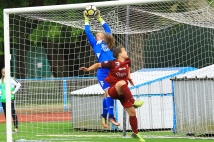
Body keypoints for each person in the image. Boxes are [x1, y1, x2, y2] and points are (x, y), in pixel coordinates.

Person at [80, 46, 145, 142]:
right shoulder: (112, 63)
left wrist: (129, 77)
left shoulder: (128, 60)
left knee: (132, 113)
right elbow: (98, 65)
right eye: (124, 50)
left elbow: (128, 68)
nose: (126, 51)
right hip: (113, 90)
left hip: (123, 93)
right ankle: (133, 102)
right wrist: (88, 69)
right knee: (122, 83)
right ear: (119, 54)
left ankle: (135, 133)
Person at [83, 9, 120, 128]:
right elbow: (88, 32)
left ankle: (104, 115)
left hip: (112, 68)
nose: (100, 36)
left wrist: (99, 18)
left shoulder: (107, 44)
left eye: (101, 35)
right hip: (103, 71)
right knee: (109, 92)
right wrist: (86, 19)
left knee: (109, 95)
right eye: (98, 35)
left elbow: (108, 31)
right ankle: (111, 116)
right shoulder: (95, 44)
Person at [0, 68, 21, 134]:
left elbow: (19, 84)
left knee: (13, 113)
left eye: (5, 71)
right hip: (3, 99)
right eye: (3, 72)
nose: (4, 72)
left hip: (10, 99)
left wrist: (13, 92)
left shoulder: (11, 79)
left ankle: (16, 129)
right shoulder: (1, 80)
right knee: (6, 114)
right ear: (2, 73)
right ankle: (8, 129)